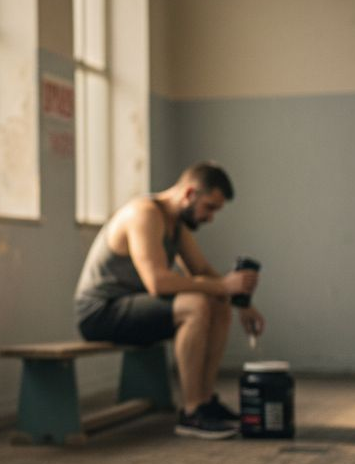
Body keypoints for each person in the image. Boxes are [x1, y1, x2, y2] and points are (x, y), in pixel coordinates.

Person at [73, 162, 267, 440]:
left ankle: (204, 401)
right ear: (189, 193)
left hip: (133, 307)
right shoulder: (144, 214)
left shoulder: (175, 224)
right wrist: (222, 285)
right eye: (209, 207)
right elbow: (158, 283)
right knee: (197, 304)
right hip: (99, 313)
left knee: (216, 300)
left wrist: (242, 303)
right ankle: (191, 412)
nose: (210, 217)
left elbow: (201, 271)